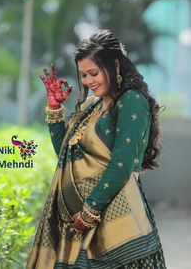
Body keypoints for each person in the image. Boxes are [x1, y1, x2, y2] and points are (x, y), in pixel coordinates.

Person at [26, 29, 167, 269]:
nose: (88, 81)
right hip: (79, 225)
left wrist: (90, 210)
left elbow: (121, 163)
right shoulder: (92, 106)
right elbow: (66, 154)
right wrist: (54, 108)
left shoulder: (131, 102)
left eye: (94, 73)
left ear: (114, 65)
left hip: (116, 222)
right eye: (83, 75)